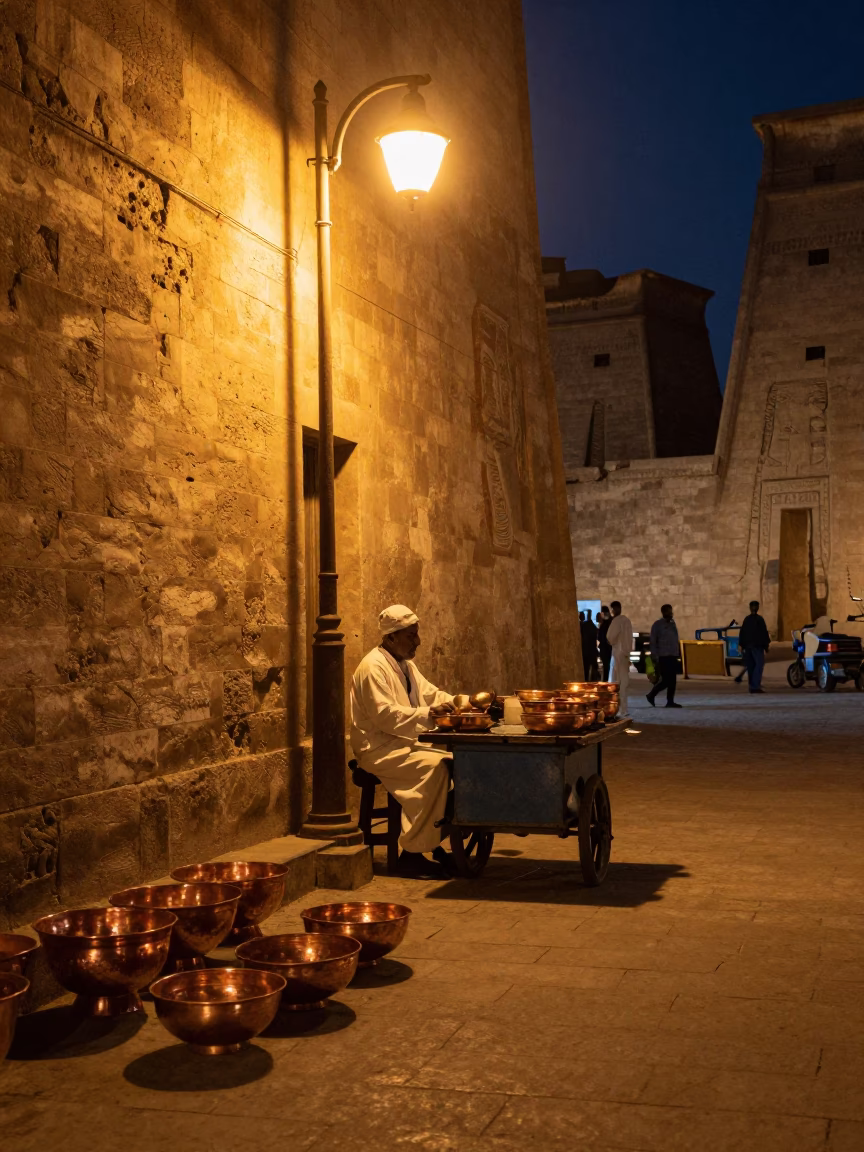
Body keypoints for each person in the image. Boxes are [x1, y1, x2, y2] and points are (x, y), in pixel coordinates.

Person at [350, 604, 456, 878]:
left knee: (455, 763)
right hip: (378, 748)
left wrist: (464, 703)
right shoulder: (372, 668)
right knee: (438, 767)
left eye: (416, 634)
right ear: (391, 637)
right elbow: (385, 716)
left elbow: (432, 694)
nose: (417, 642)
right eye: (411, 635)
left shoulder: (405, 666)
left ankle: (429, 839)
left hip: (402, 743)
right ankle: (412, 853)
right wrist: (429, 715)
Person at [646, 603, 682, 708]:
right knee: (666, 680)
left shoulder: (672, 624)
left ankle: (670, 701)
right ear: (663, 612)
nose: (671, 613)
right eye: (668, 611)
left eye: (671, 611)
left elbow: (675, 639)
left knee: (673, 680)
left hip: (672, 655)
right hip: (663, 656)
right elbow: (653, 641)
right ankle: (651, 694)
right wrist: (655, 656)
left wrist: (677, 653)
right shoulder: (657, 625)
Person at [737, 600, 771, 693]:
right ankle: (755, 686)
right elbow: (764, 633)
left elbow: (742, 633)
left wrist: (741, 645)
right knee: (758, 665)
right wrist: (766, 646)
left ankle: (752, 686)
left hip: (748, 646)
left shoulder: (747, 619)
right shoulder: (760, 620)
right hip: (757, 646)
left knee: (751, 666)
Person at [606, 600, 633, 715]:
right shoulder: (627, 621)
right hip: (625, 654)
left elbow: (610, 637)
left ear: (614, 609)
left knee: (615, 681)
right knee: (624, 681)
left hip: (617, 653)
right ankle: (624, 709)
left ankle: (617, 709)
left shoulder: (616, 621)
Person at [580, 610, 599, 681]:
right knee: (591, 668)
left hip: (586, 651)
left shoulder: (584, 626)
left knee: (587, 669)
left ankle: (588, 680)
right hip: (590, 651)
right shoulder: (589, 626)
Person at [597, 605, 612, 681]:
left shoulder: (609, 622)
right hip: (605, 648)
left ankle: (607, 680)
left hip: (608, 648)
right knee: (606, 667)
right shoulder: (604, 623)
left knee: (608, 666)